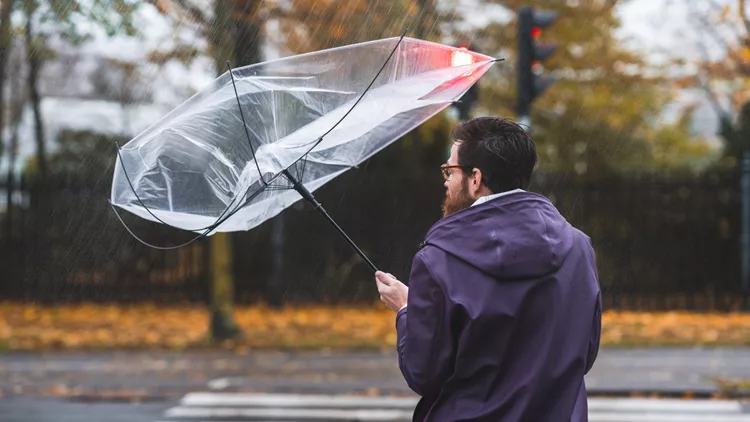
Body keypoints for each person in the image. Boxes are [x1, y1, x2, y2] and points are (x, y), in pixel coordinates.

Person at [375, 116, 602, 422]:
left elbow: (423, 374)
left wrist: (406, 310)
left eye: (450, 170)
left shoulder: (439, 260)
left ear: (476, 178)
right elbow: (582, 355)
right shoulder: (578, 248)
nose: (445, 179)